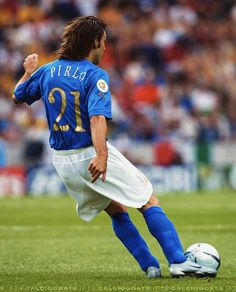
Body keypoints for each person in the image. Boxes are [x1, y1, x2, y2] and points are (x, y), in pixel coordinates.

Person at [12, 16, 215, 278]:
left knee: (116, 209)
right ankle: (178, 260)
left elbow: (18, 96)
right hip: (89, 152)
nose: (105, 48)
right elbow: (97, 118)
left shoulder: (47, 71)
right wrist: (102, 154)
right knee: (147, 199)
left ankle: (150, 266)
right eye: (104, 42)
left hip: (62, 160)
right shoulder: (95, 75)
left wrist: (27, 73)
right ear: (94, 42)